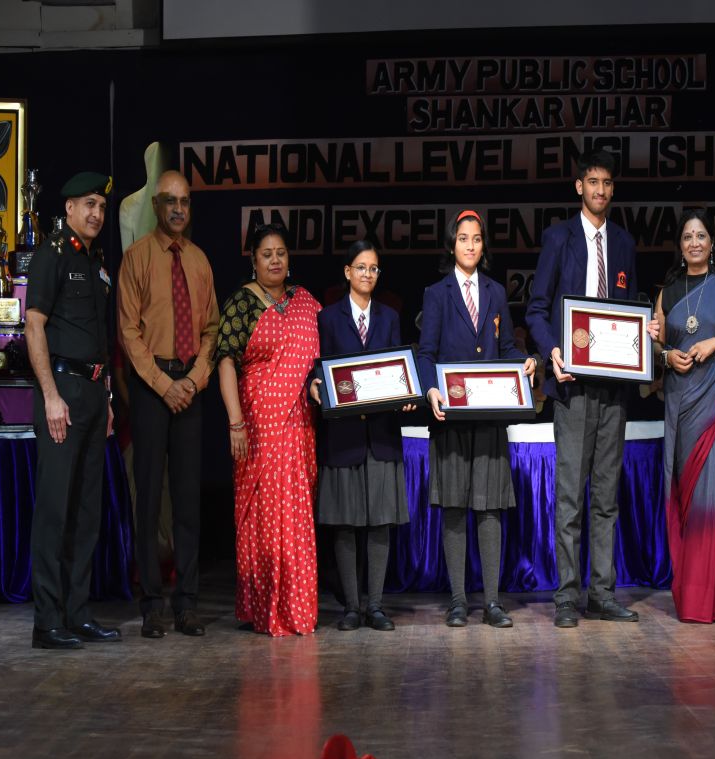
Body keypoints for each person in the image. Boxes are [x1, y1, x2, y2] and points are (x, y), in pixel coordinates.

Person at [525, 149, 639, 628]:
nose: (600, 190)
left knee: (607, 497)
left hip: (614, 389)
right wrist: (552, 350)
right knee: (570, 495)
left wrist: (645, 335)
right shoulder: (559, 238)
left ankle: (603, 594)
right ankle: (567, 597)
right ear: (579, 187)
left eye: (607, 183)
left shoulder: (625, 243)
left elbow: (630, 312)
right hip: (572, 387)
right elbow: (536, 308)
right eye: (593, 182)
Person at [417, 209, 535, 628]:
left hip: (488, 418)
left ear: (484, 246)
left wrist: (526, 362)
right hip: (450, 417)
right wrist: (430, 388)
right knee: (453, 507)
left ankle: (492, 603)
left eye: (477, 239)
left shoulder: (496, 292)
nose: (470, 245)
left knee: (490, 509)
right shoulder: (436, 293)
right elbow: (426, 353)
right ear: (452, 244)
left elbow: (507, 349)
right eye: (463, 238)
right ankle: (457, 601)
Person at [118, 170, 220, 639]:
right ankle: (151, 605)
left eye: (185, 202)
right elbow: (128, 332)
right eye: (170, 201)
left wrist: (193, 380)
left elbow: (211, 330)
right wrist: (164, 385)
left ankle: (187, 603)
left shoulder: (199, 261)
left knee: (186, 499)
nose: (179, 209)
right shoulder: (137, 258)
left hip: (190, 385)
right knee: (148, 497)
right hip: (151, 385)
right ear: (157, 206)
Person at [24, 171, 121, 649]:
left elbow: (99, 339)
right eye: (88, 204)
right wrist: (50, 396)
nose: (96, 214)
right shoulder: (52, 254)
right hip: (61, 391)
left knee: (85, 513)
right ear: (68, 208)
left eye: (101, 206)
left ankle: (77, 613)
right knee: (55, 511)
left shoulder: (96, 262)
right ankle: (48, 621)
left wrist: (107, 400)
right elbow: (34, 325)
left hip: (93, 394)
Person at [647, 209, 715, 622]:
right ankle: (693, 596)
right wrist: (666, 355)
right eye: (687, 236)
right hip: (682, 405)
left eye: (701, 236)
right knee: (689, 499)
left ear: (712, 244)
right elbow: (655, 345)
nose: (694, 242)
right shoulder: (669, 291)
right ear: (680, 245)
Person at [216, 223, 322, 636]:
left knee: (294, 511)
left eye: (281, 253)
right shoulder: (242, 303)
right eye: (266, 254)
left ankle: (295, 607)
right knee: (261, 514)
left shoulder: (304, 302)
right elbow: (226, 362)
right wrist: (235, 422)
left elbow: (317, 364)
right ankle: (263, 606)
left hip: (297, 423)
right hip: (257, 424)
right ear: (254, 260)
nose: (275, 260)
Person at [309, 241, 412, 631]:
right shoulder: (327, 319)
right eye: (361, 267)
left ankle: (376, 606)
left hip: (381, 436)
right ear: (347, 272)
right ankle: (352, 607)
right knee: (346, 523)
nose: (368, 274)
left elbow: (398, 370)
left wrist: (406, 394)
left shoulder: (390, 317)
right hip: (344, 437)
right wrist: (314, 383)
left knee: (380, 522)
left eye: (374, 268)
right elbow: (317, 367)